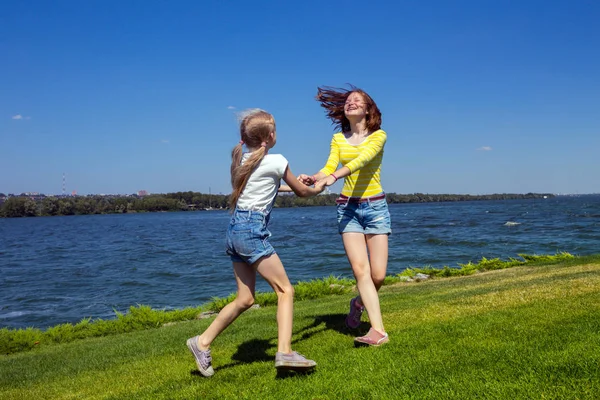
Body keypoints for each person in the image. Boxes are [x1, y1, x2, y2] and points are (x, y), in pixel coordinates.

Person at [187, 109, 325, 377]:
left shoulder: (242, 161)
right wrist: (318, 185)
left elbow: (271, 185)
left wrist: (296, 180)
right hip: (251, 230)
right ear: (270, 136)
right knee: (285, 290)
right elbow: (302, 192)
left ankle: (201, 342)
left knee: (245, 298)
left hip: (234, 230)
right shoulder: (278, 160)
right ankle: (285, 352)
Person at [299, 85, 391, 347]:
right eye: (348, 101)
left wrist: (334, 176)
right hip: (347, 209)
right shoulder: (339, 139)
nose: (350, 103)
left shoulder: (378, 136)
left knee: (378, 276)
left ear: (367, 109)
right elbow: (330, 166)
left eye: (356, 100)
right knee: (360, 271)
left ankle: (358, 303)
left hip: (375, 208)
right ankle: (378, 330)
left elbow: (362, 160)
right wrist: (315, 177)